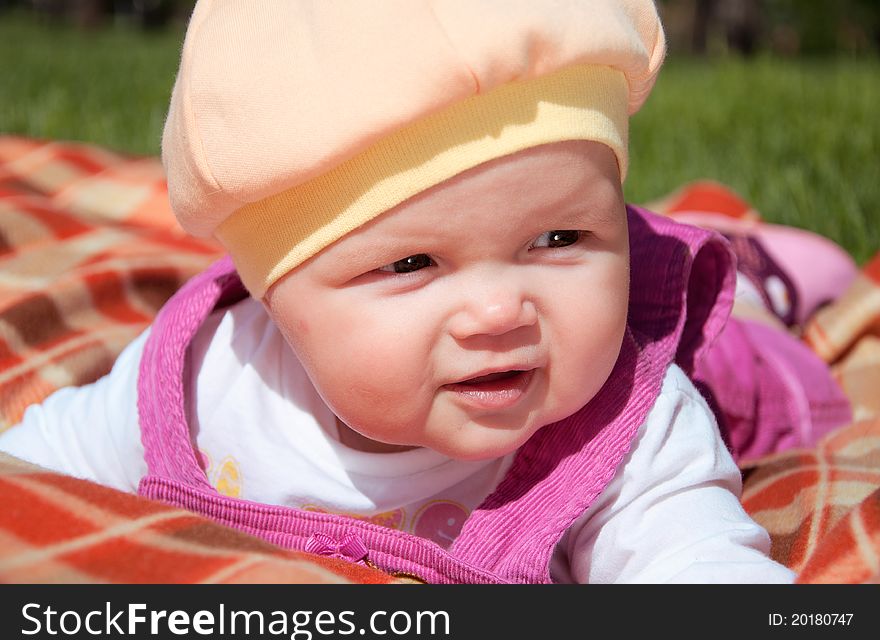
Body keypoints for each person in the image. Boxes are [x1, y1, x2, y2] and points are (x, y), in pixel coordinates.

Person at [0, 0, 807, 583]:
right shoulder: (199, 389)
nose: (499, 312)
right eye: (413, 264)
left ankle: (767, 274)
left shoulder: (629, 425)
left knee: (759, 337)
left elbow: (696, 563)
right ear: (273, 300)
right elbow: (30, 472)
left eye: (561, 238)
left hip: (743, 368)